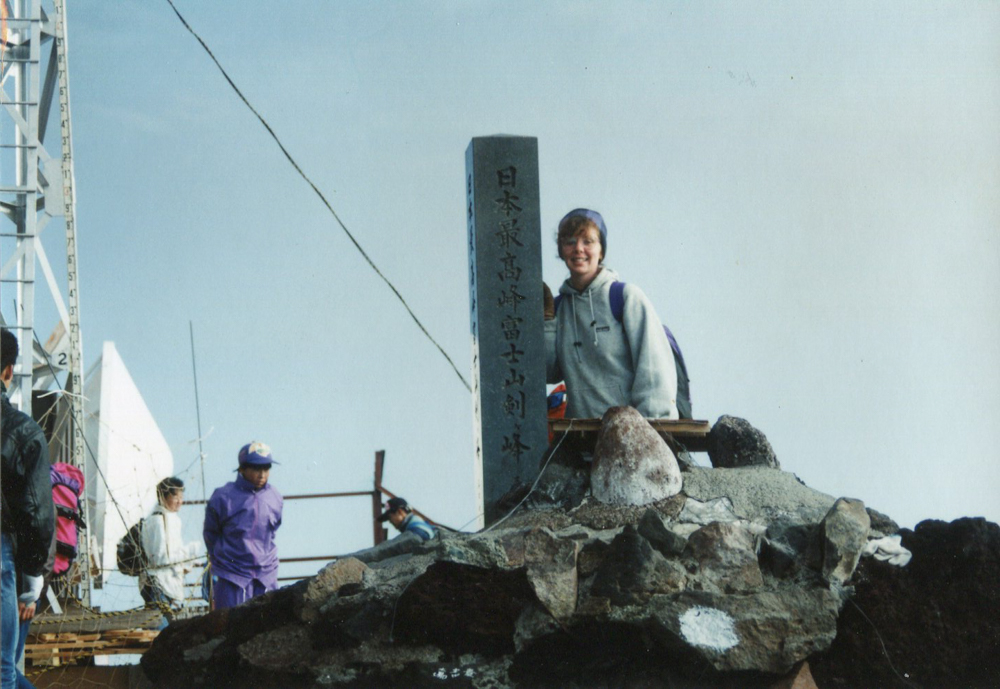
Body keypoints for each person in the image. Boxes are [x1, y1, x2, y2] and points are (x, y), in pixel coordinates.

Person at [544, 208, 678, 420]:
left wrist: (651, 433)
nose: (578, 249)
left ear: (601, 251)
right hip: (581, 440)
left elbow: (654, 369)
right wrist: (548, 324)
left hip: (632, 436)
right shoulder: (558, 309)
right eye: (570, 242)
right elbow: (549, 374)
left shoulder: (625, 297)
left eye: (588, 241)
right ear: (561, 251)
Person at [1, 328, 54, 689]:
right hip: (6, 561)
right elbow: (36, 514)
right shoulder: (22, 432)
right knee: (3, 673)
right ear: (8, 371)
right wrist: (32, 579)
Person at [203, 442, 282, 610]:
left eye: (266, 469)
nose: (262, 474)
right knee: (232, 630)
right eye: (256, 469)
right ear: (242, 469)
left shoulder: (274, 496)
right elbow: (210, 534)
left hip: (265, 575)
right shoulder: (223, 496)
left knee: (267, 627)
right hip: (232, 576)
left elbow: (272, 532)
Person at [140, 477, 200, 627]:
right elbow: (163, 558)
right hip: (160, 585)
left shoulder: (171, 519)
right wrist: (190, 552)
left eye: (181, 496)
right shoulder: (159, 521)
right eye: (175, 496)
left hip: (167, 582)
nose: (180, 501)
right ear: (163, 497)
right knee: (161, 632)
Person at [344, 497, 437, 565]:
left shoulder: (417, 531)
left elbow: (385, 550)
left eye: (390, 517)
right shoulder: (424, 526)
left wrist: (348, 559)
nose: (390, 522)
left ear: (400, 512)